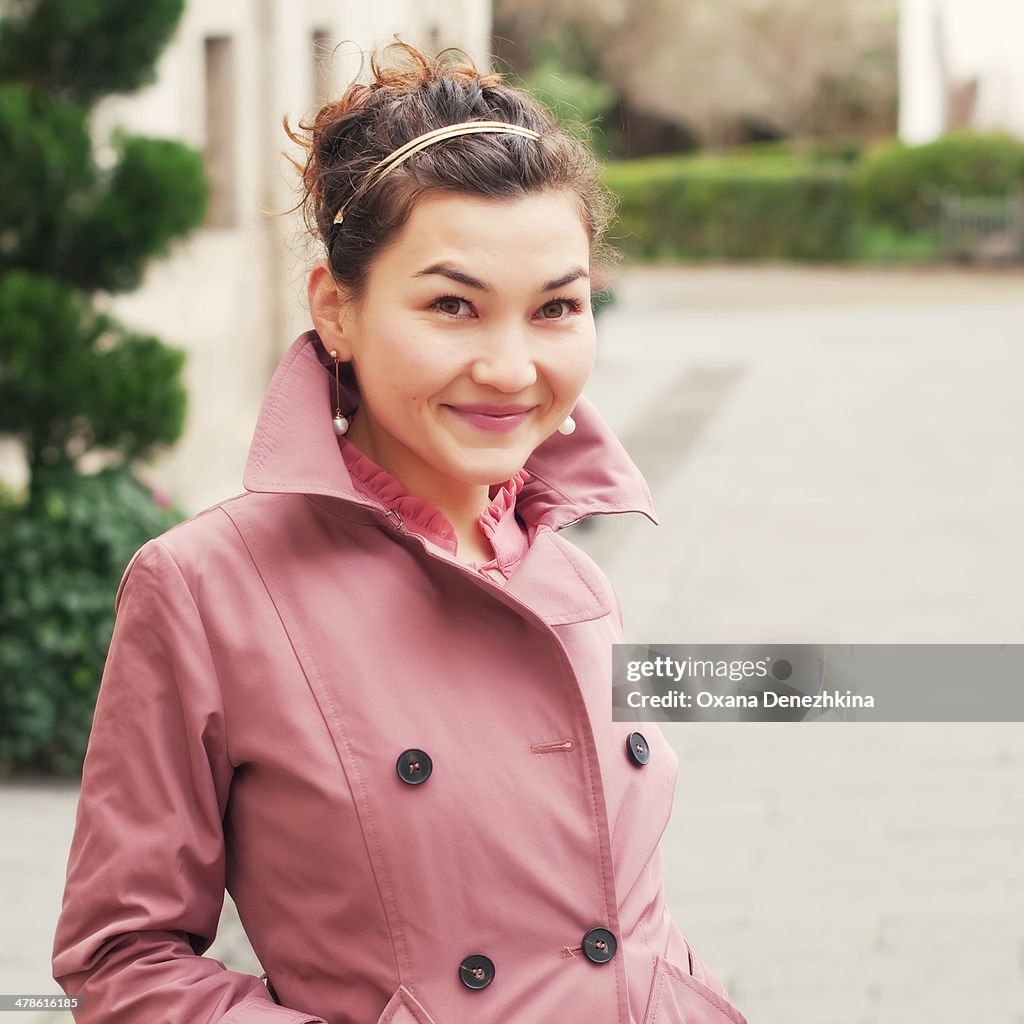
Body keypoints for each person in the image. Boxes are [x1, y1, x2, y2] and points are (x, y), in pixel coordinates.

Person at [51, 42, 747, 1024]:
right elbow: (122, 959)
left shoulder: (577, 578)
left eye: (557, 307)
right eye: (452, 305)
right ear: (337, 309)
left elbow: (620, 930)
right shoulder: (208, 588)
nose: (511, 368)